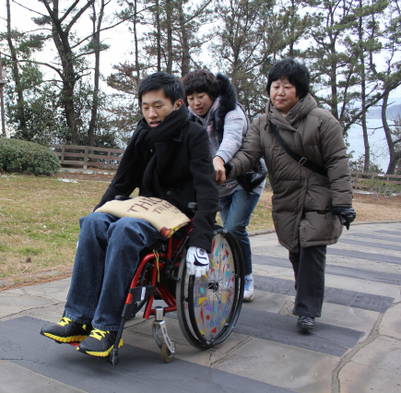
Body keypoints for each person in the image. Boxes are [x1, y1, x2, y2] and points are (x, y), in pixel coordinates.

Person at [40, 72, 219, 357]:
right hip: (143, 207)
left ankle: (108, 328)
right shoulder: (142, 135)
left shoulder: (194, 134)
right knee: (95, 222)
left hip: (176, 215)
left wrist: (201, 242)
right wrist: (93, 218)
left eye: (158, 105)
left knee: (125, 230)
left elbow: (207, 189)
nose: (151, 113)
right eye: (145, 106)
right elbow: (121, 183)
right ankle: (77, 318)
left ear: (177, 104)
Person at [221, 58, 356, 331]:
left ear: (301, 91)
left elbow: (337, 164)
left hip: (320, 198)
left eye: (287, 87)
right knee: (296, 252)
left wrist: (343, 203)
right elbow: (249, 154)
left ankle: (306, 311)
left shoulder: (322, 121)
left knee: (312, 250)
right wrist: (226, 168)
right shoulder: (262, 123)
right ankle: (306, 294)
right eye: (275, 86)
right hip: (286, 198)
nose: (280, 92)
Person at [182, 70, 266, 301]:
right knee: (217, 231)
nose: (196, 103)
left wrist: (219, 159)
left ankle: (245, 277)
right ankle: (224, 274)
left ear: (212, 93)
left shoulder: (231, 110)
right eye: (190, 98)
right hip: (215, 184)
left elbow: (232, 138)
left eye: (201, 96)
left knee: (235, 228)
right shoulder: (188, 116)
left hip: (243, 180)